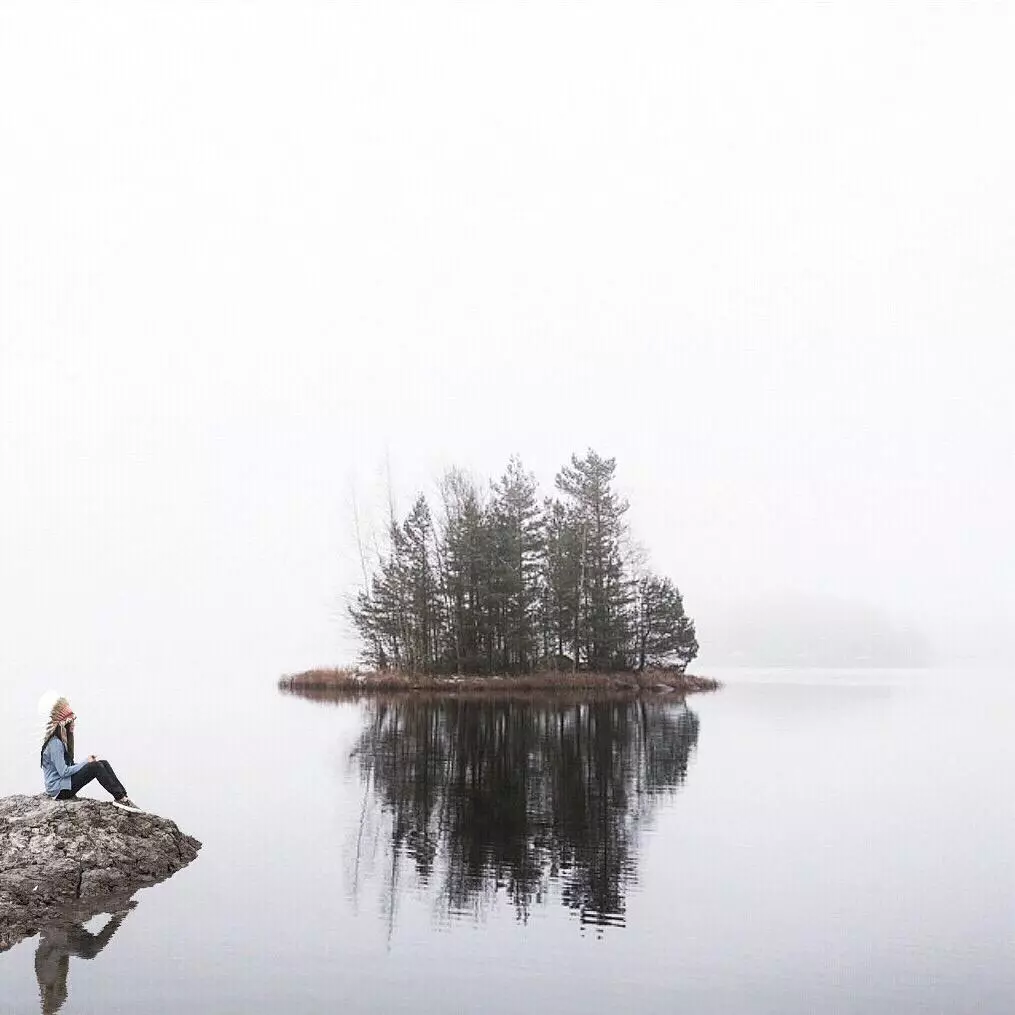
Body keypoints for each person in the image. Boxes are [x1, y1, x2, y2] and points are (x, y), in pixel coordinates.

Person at [38, 692, 141, 812]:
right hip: (59, 790)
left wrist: (86, 763)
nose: (74, 724)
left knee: (103, 762)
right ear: (64, 723)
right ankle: (120, 798)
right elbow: (64, 772)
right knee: (95, 767)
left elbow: (67, 768)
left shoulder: (61, 742)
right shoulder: (55, 743)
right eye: (72, 721)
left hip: (64, 784)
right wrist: (86, 762)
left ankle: (123, 796)